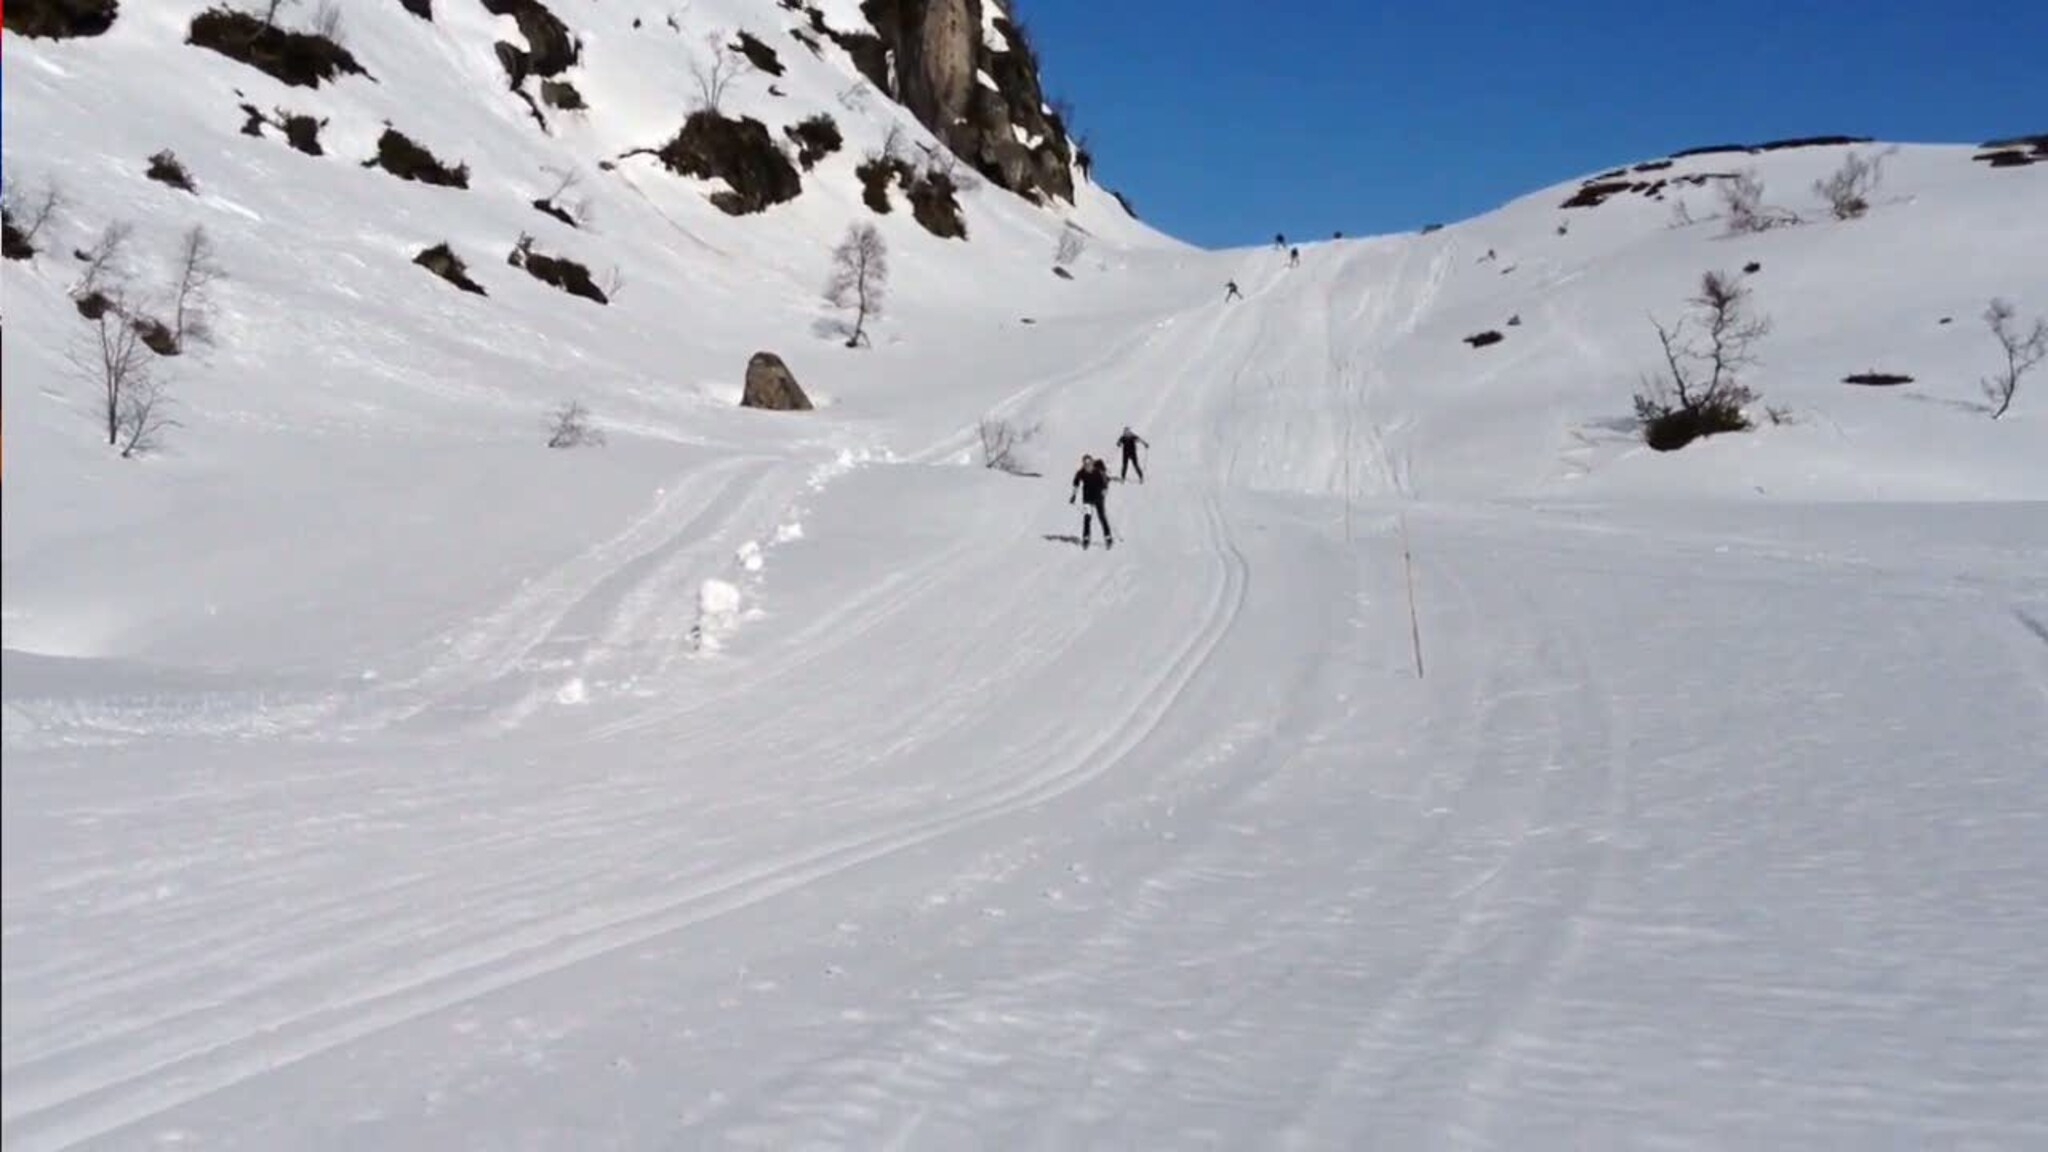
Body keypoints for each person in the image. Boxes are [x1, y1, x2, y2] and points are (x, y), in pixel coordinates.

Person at [1069, 454, 1113, 549]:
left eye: (1089, 463)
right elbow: (1076, 484)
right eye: (1085, 464)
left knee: (1102, 517)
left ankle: (1108, 537)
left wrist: (1104, 491)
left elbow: (1105, 483)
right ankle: (1086, 538)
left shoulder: (1098, 472)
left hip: (1098, 498)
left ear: (1092, 463)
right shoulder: (1081, 473)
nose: (1087, 465)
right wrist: (1073, 495)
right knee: (1087, 518)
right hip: (1087, 498)